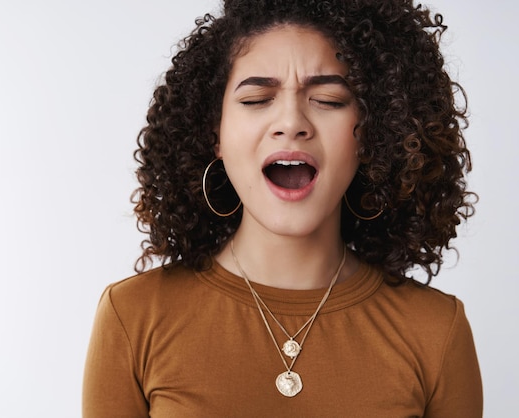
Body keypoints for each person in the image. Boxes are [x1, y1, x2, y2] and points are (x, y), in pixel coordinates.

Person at [83, 0, 482, 416]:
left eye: (328, 99)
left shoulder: (438, 331)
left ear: (374, 134)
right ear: (214, 133)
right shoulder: (132, 318)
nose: (291, 122)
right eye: (256, 99)